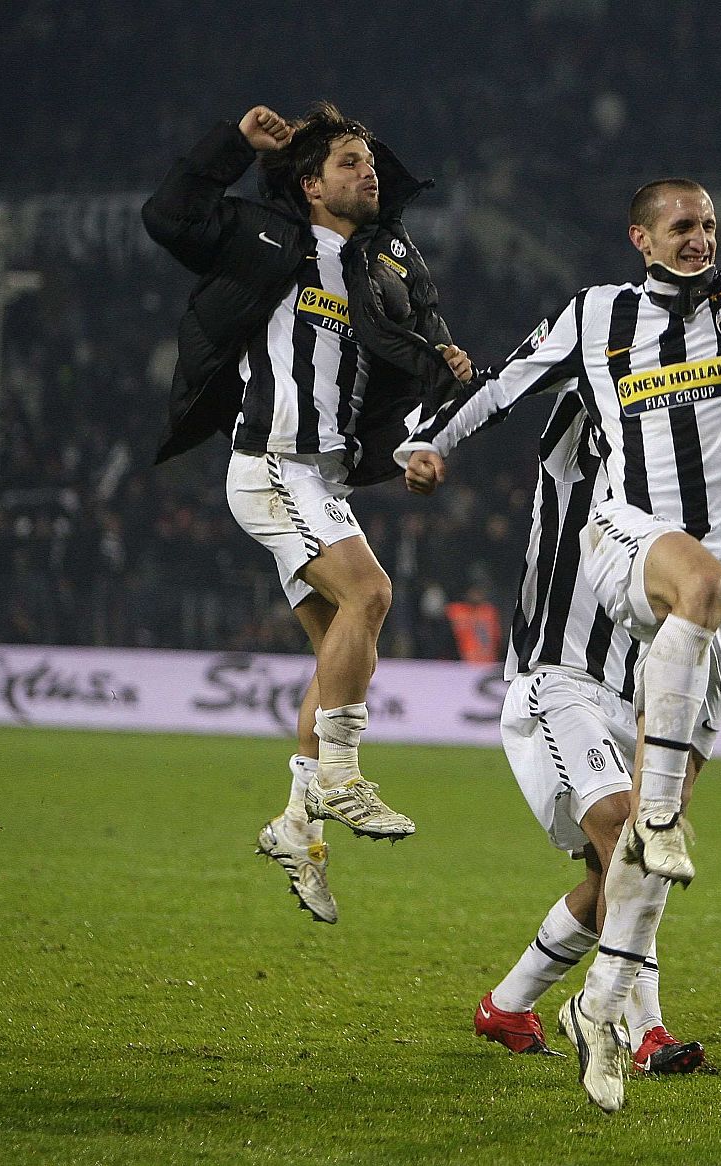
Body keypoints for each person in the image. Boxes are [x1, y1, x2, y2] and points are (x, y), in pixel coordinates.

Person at [400, 167, 721, 1109]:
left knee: (627, 853)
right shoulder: (594, 347)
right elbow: (510, 382)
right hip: (585, 627)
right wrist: (424, 440)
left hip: (697, 612)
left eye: (709, 223)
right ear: (640, 237)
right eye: (681, 224)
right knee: (639, 821)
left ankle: (546, 1001)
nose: (699, 236)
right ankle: (644, 1024)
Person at [143, 103, 474, 924]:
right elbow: (168, 216)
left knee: (337, 650)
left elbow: (390, 381)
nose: (370, 172)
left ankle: (298, 825)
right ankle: (341, 777)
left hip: (324, 477)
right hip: (270, 463)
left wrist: (420, 428)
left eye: (370, 161)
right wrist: (233, 145)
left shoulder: (375, 268)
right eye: (352, 162)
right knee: (372, 595)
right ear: (310, 181)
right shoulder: (267, 242)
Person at [469, 387, 721, 1074]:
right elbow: (587, 383)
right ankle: (645, 1032)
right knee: (625, 831)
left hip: (622, 695)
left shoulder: (663, 517)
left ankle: (509, 1005)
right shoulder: (572, 467)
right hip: (555, 681)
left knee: (610, 871)